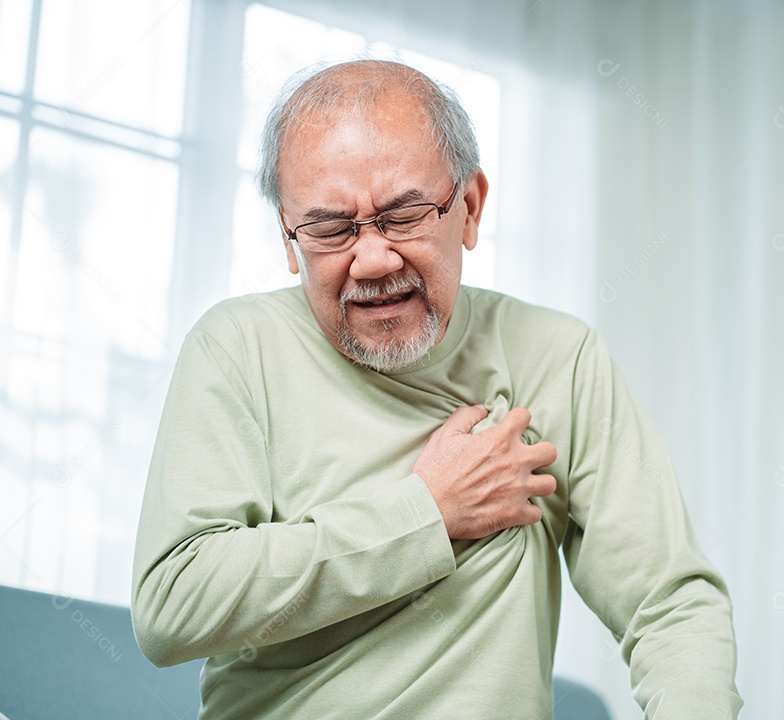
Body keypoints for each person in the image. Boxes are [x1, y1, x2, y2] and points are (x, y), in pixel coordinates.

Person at [132, 59, 741, 719]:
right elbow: (172, 604)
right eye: (331, 230)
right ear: (288, 238)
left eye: (403, 216)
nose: (372, 260)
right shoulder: (237, 348)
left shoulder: (557, 358)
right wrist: (427, 513)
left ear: (470, 208)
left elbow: (671, 607)